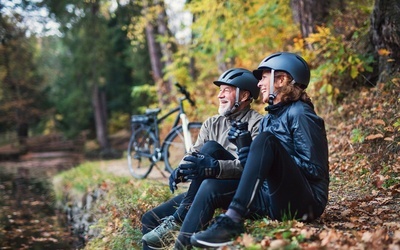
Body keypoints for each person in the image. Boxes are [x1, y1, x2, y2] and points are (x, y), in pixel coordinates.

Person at [189, 52, 330, 248]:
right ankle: (181, 244)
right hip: (272, 198)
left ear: (281, 80)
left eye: (264, 77)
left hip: (307, 202)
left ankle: (233, 220)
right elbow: (257, 175)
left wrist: (273, 155)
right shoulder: (267, 120)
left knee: (266, 140)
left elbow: (315, 170)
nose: (259, 84)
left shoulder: (300, 113)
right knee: (210, 187)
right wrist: (247, 151)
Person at [141, 68, 263, 249]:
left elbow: (251, 167)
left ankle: (180, 217)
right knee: (149, 219)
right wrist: (182, 168)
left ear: (244, 95)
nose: (220, 95)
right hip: (205, 186)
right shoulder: (211, 123)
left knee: (212, 148)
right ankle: (178, 218)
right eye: (219, 90)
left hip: (235, 188)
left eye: (226, 90)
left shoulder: (257, 123)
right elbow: (194, 153)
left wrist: (216, 166)